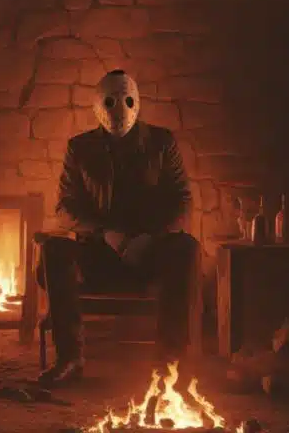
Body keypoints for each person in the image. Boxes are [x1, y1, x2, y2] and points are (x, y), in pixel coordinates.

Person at [37, 70, 199, 386]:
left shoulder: (161, 143)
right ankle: (69, 358)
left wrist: (150, 238)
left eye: (127, 101)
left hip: (149, 253)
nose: (119, 110)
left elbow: (182, 201)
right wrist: (104, 233)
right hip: (101, 253)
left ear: (137, 102)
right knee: (54, 250)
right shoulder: (80, 148)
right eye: (110, 102)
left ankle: (170, 362)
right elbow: (65, 208)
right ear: (97, 106)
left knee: (186, 248)